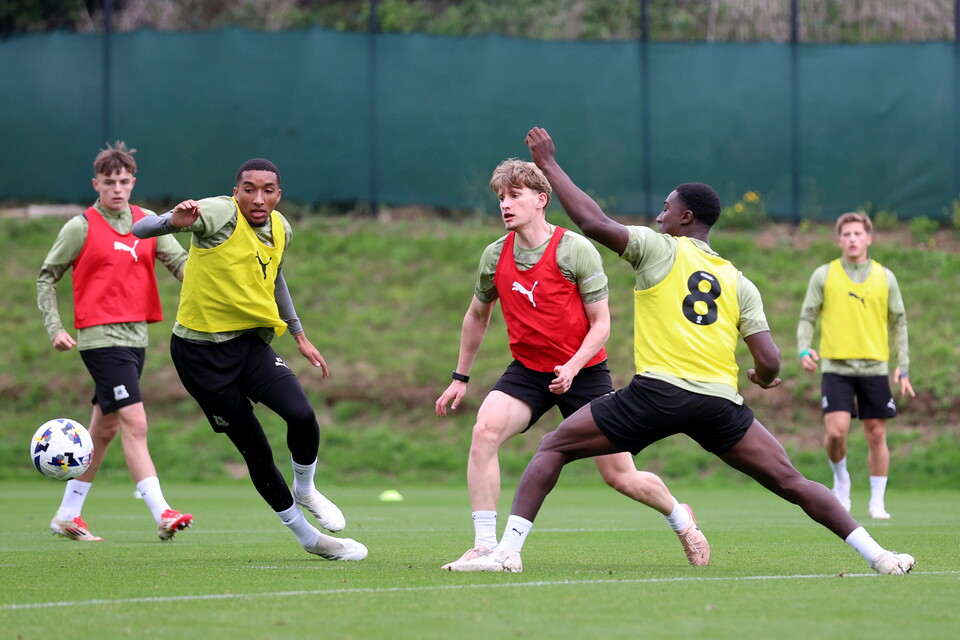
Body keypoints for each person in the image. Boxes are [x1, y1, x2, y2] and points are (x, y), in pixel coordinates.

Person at [445, 127, 915, 575]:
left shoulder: (658, 248)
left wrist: (548, 162)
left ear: (685, 217)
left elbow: (591, 221)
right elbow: (769, 361)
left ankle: (507, 552)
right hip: (719, 404)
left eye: (666, 208)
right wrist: (764, 378)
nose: (658, 216)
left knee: (552, 447)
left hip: (657, 394)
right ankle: (879, 555)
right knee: (792, 482)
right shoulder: (737, 279)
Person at [436, 158, 709, 570]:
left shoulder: (574, 249)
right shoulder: (495, 255)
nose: (505, 205)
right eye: (500, 198)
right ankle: (485, 546)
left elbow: (602, 324)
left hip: (584, 372)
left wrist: (572, 366)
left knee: (620, 476)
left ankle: (680, 517)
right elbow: (477, 315)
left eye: (514, 196)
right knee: (484, 431)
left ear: (541, 200)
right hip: (528, 370)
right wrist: (460, 378)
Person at [132, 158, 366, 561]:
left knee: (302, 415)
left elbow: (274, 278)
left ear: (279, 194)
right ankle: (308, 538)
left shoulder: (281, 228)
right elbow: (141, 229)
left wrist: (299, 334)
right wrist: (176, 221)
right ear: (235, 190)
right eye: (249, 189)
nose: (259, 199)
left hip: (248, 345)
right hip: (199, 354)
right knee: (255, 449)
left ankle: (306, 487)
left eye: (268, 190)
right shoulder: (219, 213)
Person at [37, 141, 193, 542]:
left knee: (102, 431)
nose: (118, 189)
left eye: (124, 181)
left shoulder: (148, 223)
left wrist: (221, 281)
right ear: (97, 184)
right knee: (135, 423)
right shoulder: (81, 227)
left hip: (136, 338)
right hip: (100, 340)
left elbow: (182, 265)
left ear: (133, 182)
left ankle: (68, 514)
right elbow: (47, 276)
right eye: (110, 182)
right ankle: (162, 512)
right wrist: (54, 326)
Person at [797, 212, 915, 520]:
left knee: (876, 434)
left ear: (868, 238)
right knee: (837, 433)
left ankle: (877, 502)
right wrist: (803, 348)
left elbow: (899, 322)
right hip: (836, 367)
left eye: (857, 234)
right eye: (846, 234)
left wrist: (903, 365)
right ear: (839, 240)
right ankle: (842, 481)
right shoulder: (824, 275)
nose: (852, 239)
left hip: (874, 367)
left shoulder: (885, 277)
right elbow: (808, 315)